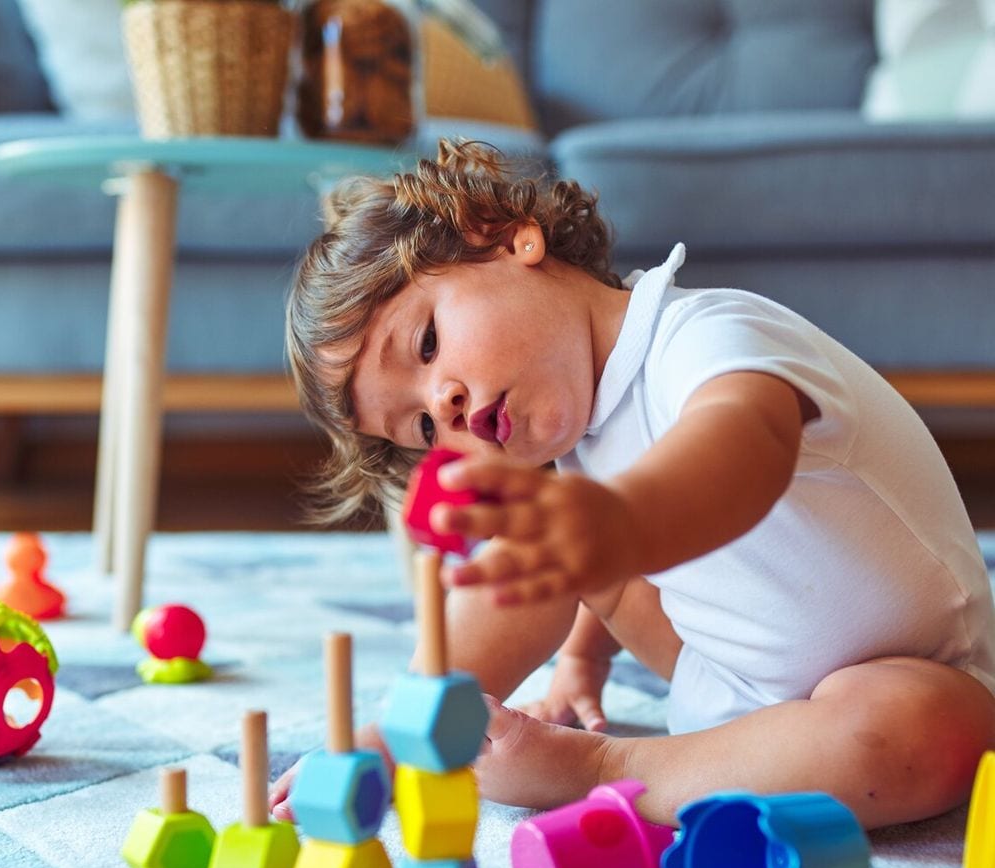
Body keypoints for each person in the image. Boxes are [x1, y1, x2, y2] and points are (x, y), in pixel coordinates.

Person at [272, 138, 995, 829]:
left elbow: (748, 444)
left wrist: (614, 525)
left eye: (427, 345)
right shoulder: (582, 448)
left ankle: (607, 770)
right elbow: (590, 562)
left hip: (913, 673)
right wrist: (582, 652)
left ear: (506, 238)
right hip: (727, 689)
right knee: (536, 556)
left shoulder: (703, 333)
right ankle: (405, 729)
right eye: (423, 429)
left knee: (919, 734)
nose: (443, 406)